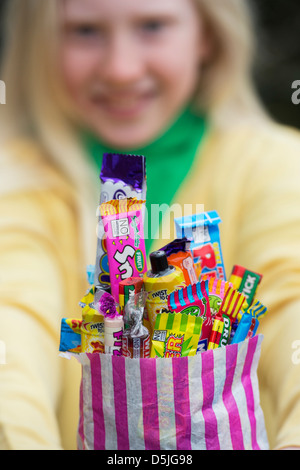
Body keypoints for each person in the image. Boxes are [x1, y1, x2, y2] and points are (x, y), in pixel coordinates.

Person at [0, 0, 300, 450]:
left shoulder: (277, 166)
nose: (121, 68)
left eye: (153, 25)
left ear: (208, 36)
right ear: (38, 44)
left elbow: (289, 302)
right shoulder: (13, 179)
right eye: (84, 31)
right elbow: (12, 322)